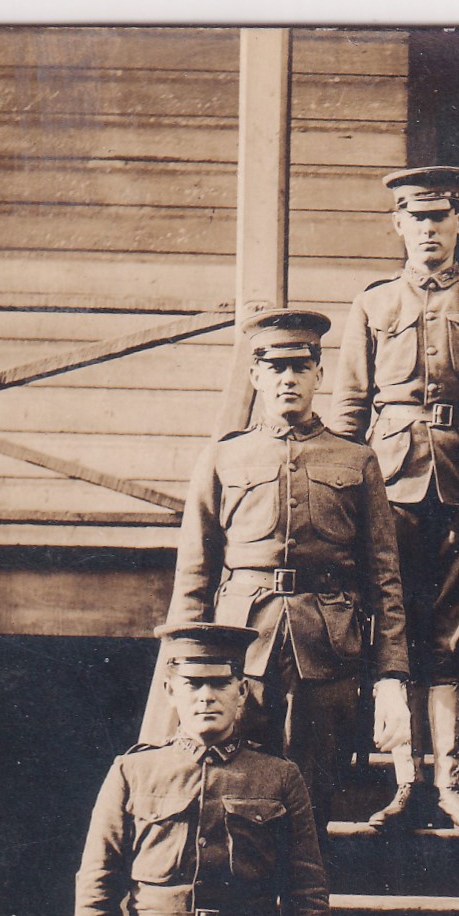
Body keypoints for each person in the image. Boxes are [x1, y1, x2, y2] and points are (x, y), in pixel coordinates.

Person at [325, 165, 459, 832]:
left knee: (452, 636)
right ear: (399, 226)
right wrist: (342, 501)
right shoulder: (374, 304)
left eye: (440, 218)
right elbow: (349, 410)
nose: (429, 231)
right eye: (417, 219)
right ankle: (404, 783)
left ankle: (451, 786)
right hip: (389, 488)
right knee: (396, 632)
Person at [152, 307, 407, 835]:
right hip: (241, 652)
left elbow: (385, 580)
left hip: (329, 652)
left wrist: (391, 676)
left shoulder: (357, 460)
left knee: (314, 800)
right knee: (236, 794)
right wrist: (186, 668)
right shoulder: (223, 458)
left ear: (319, 375)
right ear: (256, 376)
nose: (287, 379)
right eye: (275, 368)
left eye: (299, 367)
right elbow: (195, 574)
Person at [74, 622, 333, 916]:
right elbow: (94, 896)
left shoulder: (279, 777)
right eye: (193, 684)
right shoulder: (133, 773)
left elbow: (308, 900)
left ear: (241, 691)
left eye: (219, 683)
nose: (206, 697)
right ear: (171, 691)